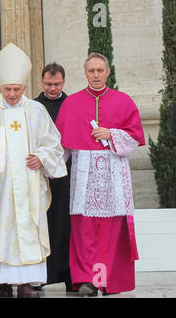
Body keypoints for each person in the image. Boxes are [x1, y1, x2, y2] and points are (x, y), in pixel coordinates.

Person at [0, 43, 67, 298]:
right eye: (7, 89)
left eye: (16, 90)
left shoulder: (35, 110)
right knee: (0, 232)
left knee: (27, 228)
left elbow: (54, 143)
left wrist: (41, 158)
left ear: (25, 88)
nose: (12, 94)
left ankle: (26, 283)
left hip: (29, 184)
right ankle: (3, 282)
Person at [55, 53, 145, 296]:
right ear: (85, 73)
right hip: (84, 176)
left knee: (108, 231)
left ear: (108, 72)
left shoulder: (123, 101)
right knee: (85, 230)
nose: (95, 75)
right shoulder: (72, 103)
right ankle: (87, 281)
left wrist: (112, 134)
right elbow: (60, 146)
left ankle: (102, 280)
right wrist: (42, 165)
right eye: (91, 71)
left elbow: (134, 138)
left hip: (114, 175)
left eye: (100, 70)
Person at [34, 63, 72, 292]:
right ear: (41, 82)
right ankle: (41, 276)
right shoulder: (33, 107)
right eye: (48, 84)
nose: (52, 88)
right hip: (40, 175)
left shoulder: (72, 104)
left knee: (66, 224)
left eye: (57, 84)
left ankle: (69, 275)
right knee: (42, 224)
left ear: (63, 82)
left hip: (66, 175)